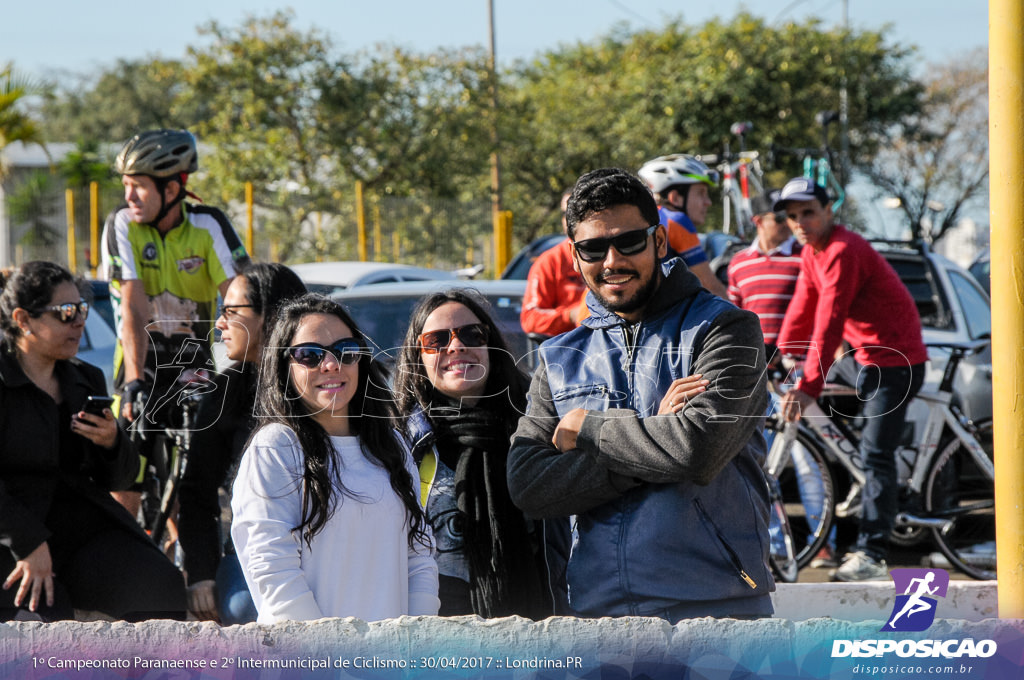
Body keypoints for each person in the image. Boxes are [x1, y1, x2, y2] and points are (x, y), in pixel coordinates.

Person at [507, 168, 773, 621]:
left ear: (660, 242)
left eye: (629, 241)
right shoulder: (558, 357)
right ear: (574, 256)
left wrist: (585, 428)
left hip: (718, 610)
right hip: (596, 616)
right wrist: (653, 435)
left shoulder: (725, 329)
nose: (612, 260)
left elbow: (696, 449)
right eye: (593, 247)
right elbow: (528, 483)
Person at [230, 295, 439, 623]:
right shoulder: (275, 449)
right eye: (310, 355)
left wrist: (415, 645)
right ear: (284, 366)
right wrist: (331, 661)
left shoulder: (392, 446)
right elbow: (272, 571)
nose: (331, 364)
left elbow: (420, 557)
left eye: (346, 350)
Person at [0, 261, 186, 622]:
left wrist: (113, 443)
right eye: (65, 313)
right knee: (44, 618)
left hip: (80, 529)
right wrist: (29, 543)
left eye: (81, 309)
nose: (79, 321)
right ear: (23, 320)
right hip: (11, 533)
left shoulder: (84, 379)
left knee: (158, 587)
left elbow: (121, 479)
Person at [774, 176, 928, 582]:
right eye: (792, 216)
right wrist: (780, 354)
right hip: (861, 359)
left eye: (808, 212)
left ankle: (873, 553)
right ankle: (864, 481)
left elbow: (829, 321)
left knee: (877, 455)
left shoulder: (843, 250)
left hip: (895, 361)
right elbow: (802, 309)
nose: (800, 222)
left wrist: (807, 385)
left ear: (829, 211)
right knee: (843, 435)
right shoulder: (813, 252)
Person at [100, 128, 250, 518]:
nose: (129, 196)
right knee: (127, 469)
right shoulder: (122, 225)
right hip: (140, 361)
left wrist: (229, 368)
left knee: (189, 475)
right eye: (126, 186)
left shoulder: (208, 224)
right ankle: (129, 548)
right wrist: (134, 381)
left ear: (172, 189)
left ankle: (183, 559)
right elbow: (132, 307)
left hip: (196, 362)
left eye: (139, 187)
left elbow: (239, 299)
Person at [394, 288, 559, 619]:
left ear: (491, 346)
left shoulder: (539, 426)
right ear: (418, 357)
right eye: (437, 340)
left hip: (540, 630)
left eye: (472, 334)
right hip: (440, 638)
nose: (457, 346)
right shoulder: (399, 445)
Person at [177, 262, 307, 624]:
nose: (220, 323)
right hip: (250, 556)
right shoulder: (224, 392)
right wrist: (201, 573)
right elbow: (197, 491)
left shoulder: (326, 385)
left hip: (326, 550)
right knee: (244, 609)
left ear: (273, 316)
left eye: (231, 312)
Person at [638, 153, 729, 298]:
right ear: (675, 198)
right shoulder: (676, 221)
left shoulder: (641, 217)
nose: (708, 202)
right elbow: (711, 286)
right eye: (701, 193)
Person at [727, 190, 803, 363]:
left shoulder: (806, 256)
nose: (787, 223)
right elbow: (734, 316)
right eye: (779, 218)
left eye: (789, 216)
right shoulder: (738, 262)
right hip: (753, 365)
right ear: (758, 221)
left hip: (798, 365)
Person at [520, 190, 588, 338]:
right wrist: (571, 315)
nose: (569, 219)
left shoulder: (613, 257)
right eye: (565, 213)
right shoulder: (550, 262)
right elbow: (530, 318)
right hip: (568, 348)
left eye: (576, 212)